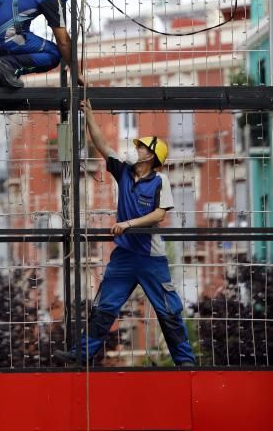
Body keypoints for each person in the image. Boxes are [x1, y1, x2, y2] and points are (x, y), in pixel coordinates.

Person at [54, 100, 195, 367]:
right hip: (124, 256)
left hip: (150, 257)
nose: (136, 149)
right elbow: (102, 145)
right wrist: (90, 116)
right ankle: (81, 355)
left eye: (141, 147)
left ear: (151, 156)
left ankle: (185, 363)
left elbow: (160, 214)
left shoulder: (159, 181)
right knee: (104, 307)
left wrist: (128, 224)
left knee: (168, 310)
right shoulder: (125, 172)